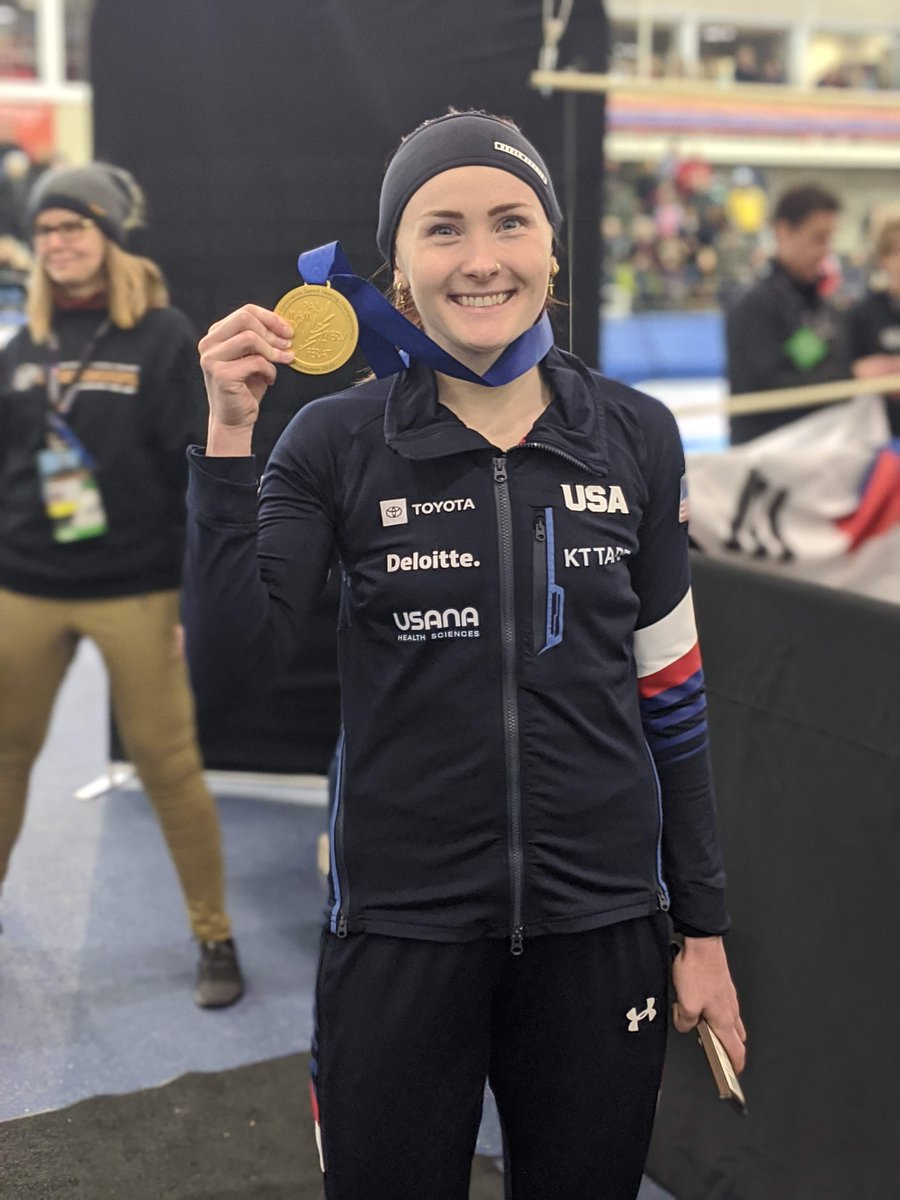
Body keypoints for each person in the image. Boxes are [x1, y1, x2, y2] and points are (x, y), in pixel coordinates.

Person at [185, 111, 745, 1198]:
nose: (481, 259)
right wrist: (223, 438)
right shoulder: (335, 441)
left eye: (510, 222)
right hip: (402, 927)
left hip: (600, 929)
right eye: (443, 229)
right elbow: (231, 672)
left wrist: (706, 925)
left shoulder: (635, 435)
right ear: (398, 266)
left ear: (551, 246)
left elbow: (673, 700)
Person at [0, 162, 243, 1008]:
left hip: (135, 590)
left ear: (107, 235)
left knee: (169, 765)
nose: (58, 243)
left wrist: (191, 594)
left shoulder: (165, 335)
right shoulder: (23, 344)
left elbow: (197, 471)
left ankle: (214, 936)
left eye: (74, 227)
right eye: (45, 231)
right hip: (24, 585)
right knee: (3, 759)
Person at [725, 183, 851, 444]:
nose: (826, 251)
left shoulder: (823, 306)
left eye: (829, 239)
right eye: (818, 238)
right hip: (768, 462)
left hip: (821, 453)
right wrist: (852, 378)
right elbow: (767, 389)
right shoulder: (752, 306)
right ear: (783, 232)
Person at [847, 213, 900, 438]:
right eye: (897, 252)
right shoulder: (861, 315)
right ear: (882, 259)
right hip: (879, 437)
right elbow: (845, 374)